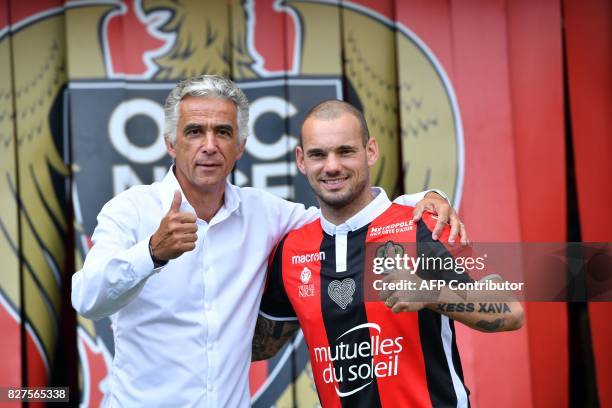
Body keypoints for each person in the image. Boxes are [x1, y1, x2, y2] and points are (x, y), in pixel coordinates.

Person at [71, 75, 466, 407]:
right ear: (171, 144)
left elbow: (348, 215)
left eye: (223, 132)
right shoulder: (131, 211)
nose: (209, 144)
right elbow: (88, 299)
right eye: (194, 132)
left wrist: (423, 201)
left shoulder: (267, 214)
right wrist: (151, 253)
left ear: (240, 146)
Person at [253, 100, 523, 407]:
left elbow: (510, 311)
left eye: (345, 151)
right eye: (318, 154)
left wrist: (429, 294)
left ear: (370, 151)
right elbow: (259, 345)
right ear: (301, 160)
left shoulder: (424, 227)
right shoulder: (291, 250)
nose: (331, 166)